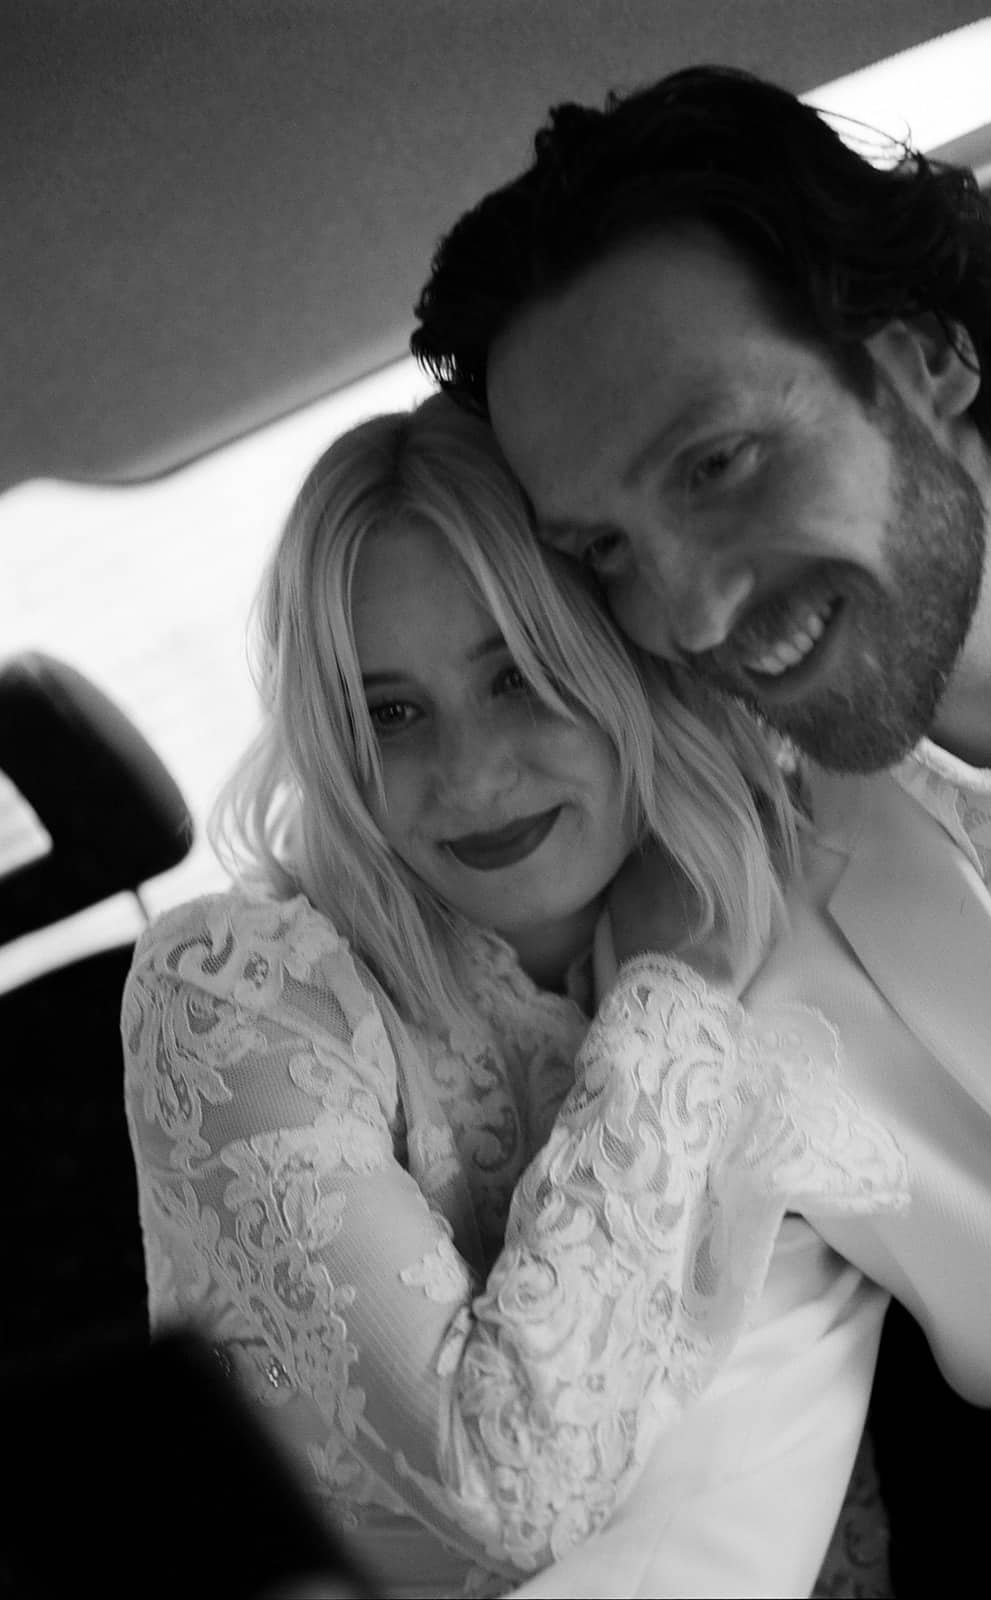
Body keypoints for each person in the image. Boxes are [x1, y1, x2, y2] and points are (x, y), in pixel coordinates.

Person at [410, 65, 991, 1600]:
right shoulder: (727, 953)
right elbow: (691, 1528)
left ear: (926, 354)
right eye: (604, 551)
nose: (681, 612)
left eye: (717, 462)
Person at [120, 393, 913, 1600]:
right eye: (391, 713)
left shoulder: (803, 871)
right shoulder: (237, 991)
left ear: (620, 657)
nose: (474, 777)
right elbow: (507, 1485)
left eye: (520, 676)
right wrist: (669, 993)